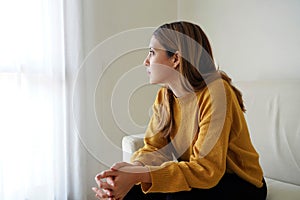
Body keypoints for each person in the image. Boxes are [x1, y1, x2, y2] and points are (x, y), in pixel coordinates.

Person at [92, 21, 267, 200]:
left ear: (175, 58)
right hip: (201, 175)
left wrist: (139, 174)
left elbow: (207, 169)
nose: (145, 61)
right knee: (132, 191)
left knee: (176, 196)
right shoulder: (164, 96)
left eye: (152, 52)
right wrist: (132, 169)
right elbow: (155, 148)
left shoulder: (216, 93)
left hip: (240, 183)